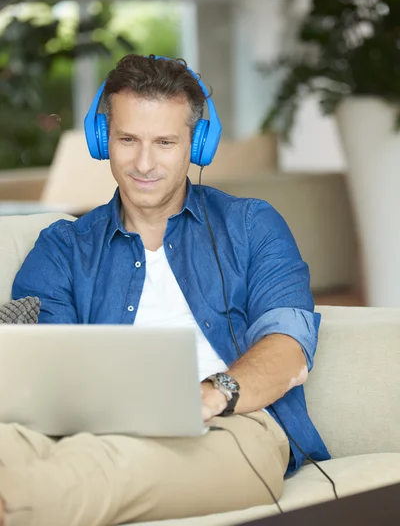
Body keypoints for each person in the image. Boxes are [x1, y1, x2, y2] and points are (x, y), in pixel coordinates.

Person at [0, 54, 330, 526]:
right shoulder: (62, 248)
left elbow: (289, 346)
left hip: (234, 428)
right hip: (95, 435)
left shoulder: (251, 226)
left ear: (196, 145)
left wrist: (214, 393)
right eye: (127, 139)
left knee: (92, 475)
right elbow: (49, 382)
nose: (144, 163)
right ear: (102, 139)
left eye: (165, 142)